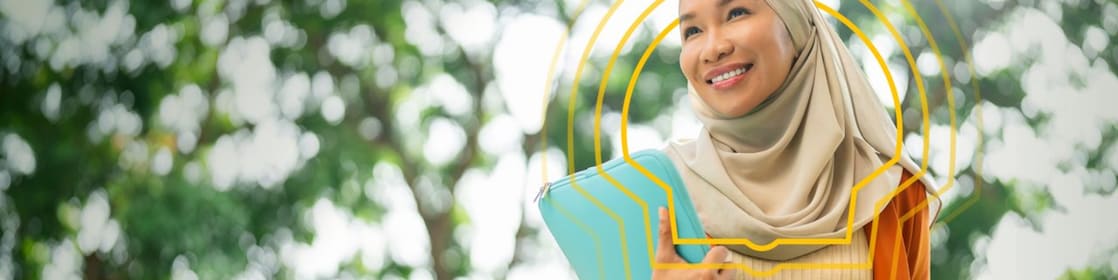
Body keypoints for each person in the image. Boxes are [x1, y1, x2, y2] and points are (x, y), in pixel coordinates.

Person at [651, 0, 939, 278]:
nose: (712, 49)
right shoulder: (661, 194)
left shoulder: (891, 190)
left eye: (736, 13)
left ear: (796, 25)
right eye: (693, 31)